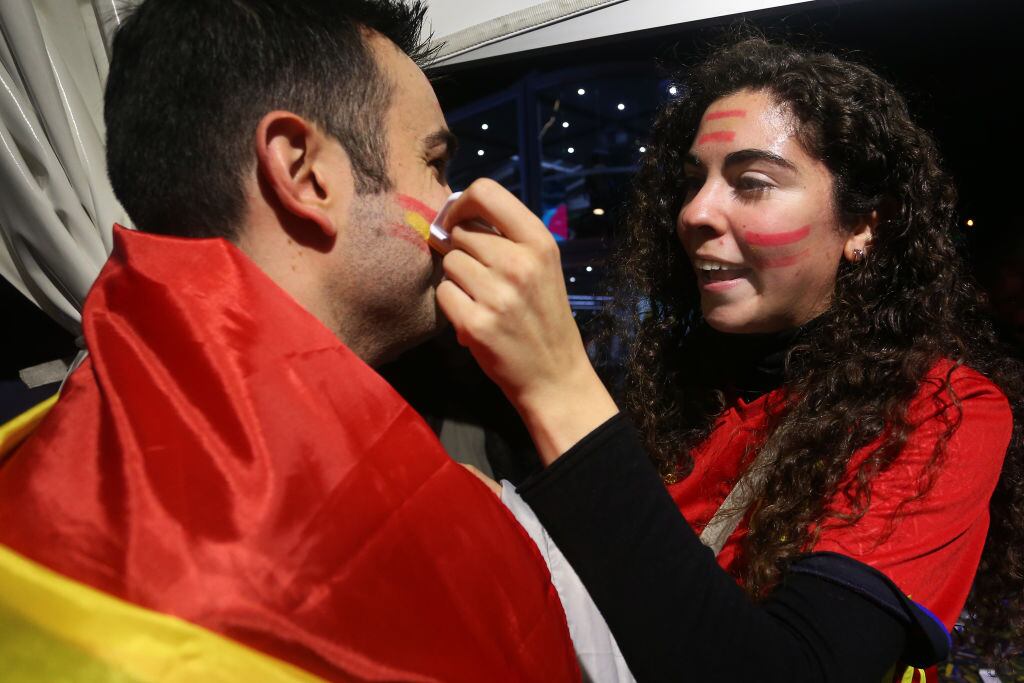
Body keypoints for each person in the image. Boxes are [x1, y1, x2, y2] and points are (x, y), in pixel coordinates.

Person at [0, 1, 582, 680]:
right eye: (436, 163)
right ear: (304, 172)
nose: (456, 202)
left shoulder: (44, 444)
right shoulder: (316, 567)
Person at [434, 37, 1023, 682]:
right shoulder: (672, 382)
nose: (695, 212)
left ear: (864, 227)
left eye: (752, 182)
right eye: (693, 181)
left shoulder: (940, 410)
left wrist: (557, 384)